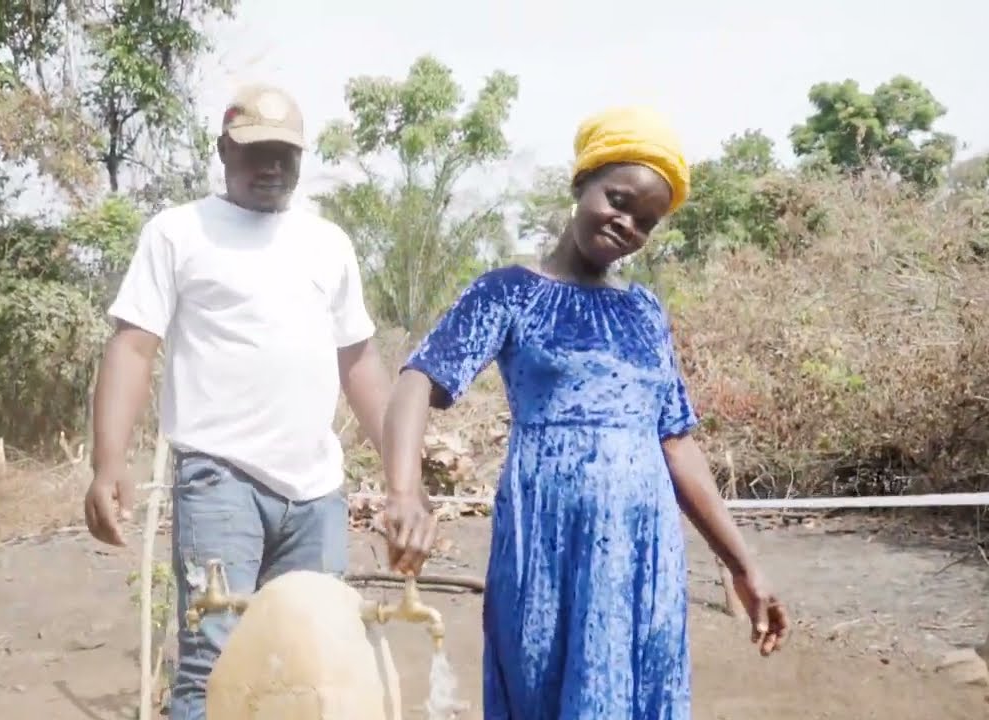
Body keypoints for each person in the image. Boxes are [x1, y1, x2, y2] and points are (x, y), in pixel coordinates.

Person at [381, 106, 791, 719]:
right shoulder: (511, 291)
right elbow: (418, 380)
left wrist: (743, 565)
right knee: (543, 691)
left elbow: (676, 444)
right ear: (581, 185)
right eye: (618, 200)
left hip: (641, 551)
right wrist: (404, 493)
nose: (627, 224)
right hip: (546, 542)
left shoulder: (646, 312)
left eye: (646, 222)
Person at [85, 83, 393, 720]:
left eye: (284, 153)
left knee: (312, 662)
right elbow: (134, 347)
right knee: (214, 662)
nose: (271, 167)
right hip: (221, 480)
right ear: (223, 150)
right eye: (255, 152)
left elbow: (358, 360)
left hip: (317, 491)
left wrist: (404, 476)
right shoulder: (178, 232)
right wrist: (107, 466)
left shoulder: (327, 243)